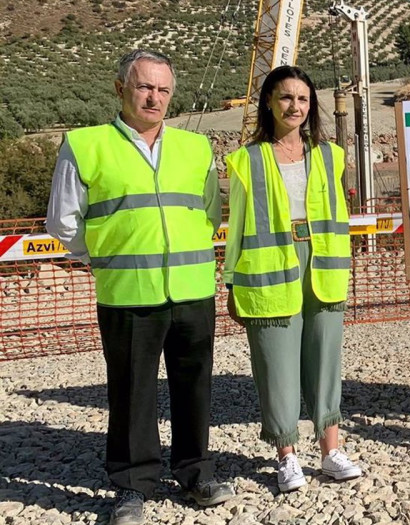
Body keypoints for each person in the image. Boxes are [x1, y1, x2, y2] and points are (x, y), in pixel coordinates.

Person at [45, 49, 235, 525]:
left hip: (192, 291)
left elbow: (209, 212)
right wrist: (105, 257)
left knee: (195, 386)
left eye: (163, 89)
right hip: (127, 293)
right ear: (120, 89)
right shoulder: (86, 145)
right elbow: (62, 221)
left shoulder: (196, 149)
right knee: (132, 391)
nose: (154, 97)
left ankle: (196, 473)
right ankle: (132, 485)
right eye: (144, 86)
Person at [223, 65, 361, 493]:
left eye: (302, 99)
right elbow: (239, 225)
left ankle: (330, 450)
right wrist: (229, 281)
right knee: (276, 365)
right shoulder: (246, 161)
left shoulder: (330, 154)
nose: (295, 106)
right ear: (268, 101)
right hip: (269, 273)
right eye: (286, 97)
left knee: (325, 361)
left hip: (323, 267)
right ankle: (286, 455)